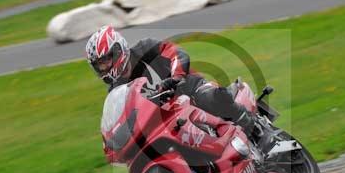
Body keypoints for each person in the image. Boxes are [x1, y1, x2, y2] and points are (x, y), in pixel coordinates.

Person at [85, 25, 256, 135]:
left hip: (190, 90)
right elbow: (122, 121)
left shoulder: (146, 48)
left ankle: (249, 122)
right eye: (99, 65)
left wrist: (175, 77)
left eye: (106, 59)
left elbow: (175, 53)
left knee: (208, 97)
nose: (104, 67)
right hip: (167, 118)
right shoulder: (116, 92)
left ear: (117, 50)